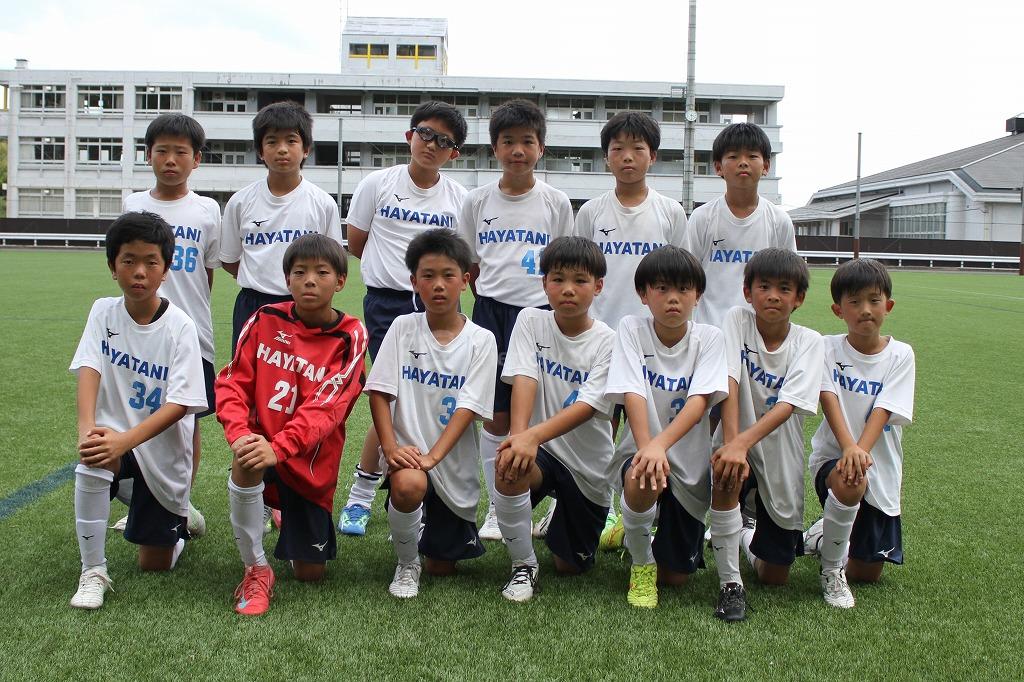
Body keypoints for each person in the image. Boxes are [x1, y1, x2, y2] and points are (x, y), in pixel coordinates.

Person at [216, 233, 367, 616]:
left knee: (309, 573)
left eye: (321, 272)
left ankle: (284, 506)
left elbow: (326, 410)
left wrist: (279, 448)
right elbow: (231, 382)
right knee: (246, 457)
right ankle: (256, 568)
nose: (309, 280)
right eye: (299, 272)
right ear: (287, 280)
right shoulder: (265, 319)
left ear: (340, 281)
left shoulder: (350, 336)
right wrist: (240, 434)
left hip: (307, 464)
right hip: (261, 450)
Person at [339, 101, 469, 537]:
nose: (432, 144)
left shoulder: (459, 199)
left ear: (454, 153)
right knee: (390, 397)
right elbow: (357, 243)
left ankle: (426, 490)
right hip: (389, 303)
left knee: (431, 396)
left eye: (444, 141)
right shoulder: (377, 184)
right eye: (425, 134)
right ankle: (361, 493)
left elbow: (459, 257)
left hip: (441, 307)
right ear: (409, 136)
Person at [69, 211, 207, 609]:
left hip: (161, 452)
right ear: (113, 266)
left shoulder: (180, 326)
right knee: (93, 457)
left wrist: (125, 441)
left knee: (154, 564)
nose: (139, 272)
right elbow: (89, 368)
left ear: (166, 269)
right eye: (128, 261)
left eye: (151, 262)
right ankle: (93, 571)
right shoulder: (103, 311)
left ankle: (178, 523)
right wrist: (87, 429)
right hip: (116, 438)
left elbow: (180, 405)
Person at [456, 98, 574, 541]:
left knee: (548, 411)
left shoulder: (556, 202)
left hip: (543, 315)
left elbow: (564, 265)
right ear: (495, 148)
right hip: (491, 314)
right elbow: (470, 263)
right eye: (508, 141)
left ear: (541, 147)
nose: (518, 150)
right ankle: (497, 504)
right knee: (496, 415)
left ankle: (560, 498)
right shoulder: (475, 201)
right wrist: (489, 300)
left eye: (527, 141)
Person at [574, 111, 688, 548]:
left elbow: (680, 274)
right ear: (606, 157)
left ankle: (647, 508)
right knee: (599, 424)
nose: (627, 157)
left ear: (652, 156)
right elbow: (581, 271)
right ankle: (600, 507)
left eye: (637, 149)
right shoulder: (591, 212)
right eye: (617, 149)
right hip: (602, 338)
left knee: (652, 426)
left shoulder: (670, 212)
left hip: (651, 340)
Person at [365, 229, 497, 598]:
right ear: (414, 282)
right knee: (409, 485)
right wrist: (391, 449)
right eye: (428, 276)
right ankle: (407, 563)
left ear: (465, 280)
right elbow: (379, 392)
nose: (438, 285)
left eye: (448, 275)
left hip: (452, 465)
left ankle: (419, 525)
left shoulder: (481, 340)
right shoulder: (403, 327)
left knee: (443, 567)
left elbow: (468, 408)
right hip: (409, 458)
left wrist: (433, 458)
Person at [604, 246, 728, 608]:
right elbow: (633, 393)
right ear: (643, 294)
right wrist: (648, 449)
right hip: (641, 452)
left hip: (689, 466)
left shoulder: (710, 338)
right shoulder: (631, 328)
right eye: (661, 288)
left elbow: (699, 402)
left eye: (683, 289)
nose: (673, 298)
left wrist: (660, 446)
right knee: (642, 476)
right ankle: (641, 563)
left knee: (676, 577)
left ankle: (635, 528)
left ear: (698, 295)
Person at [492, 237, 615, 602]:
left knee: (570, 566)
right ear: (544, 283)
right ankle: (523, 565)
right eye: (558, 279)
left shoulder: (609, 340)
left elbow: (588, 406)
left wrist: (531, 437)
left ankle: (561, 512)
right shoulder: (530, 320)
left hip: (587, 466)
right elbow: (524, 378)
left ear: (598, 286)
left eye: (580, 280)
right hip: (542, 452)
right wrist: (519, 438)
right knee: (509, 465)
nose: (568, 289)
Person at [709, 248, 823, 622]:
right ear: (748, 291)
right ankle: (730, 584)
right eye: (764, 286)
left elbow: (788, 404)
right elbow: (729, 380)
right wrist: (731, 444)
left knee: (775, 576)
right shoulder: (737, 320)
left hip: (779, 451)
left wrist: (741, 443)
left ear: (799, 298)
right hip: (733, 439)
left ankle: (744, 533)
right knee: (725, 472)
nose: (773, 295)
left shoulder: (810, 341)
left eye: (784, 288)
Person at [122, 113, 221, 537]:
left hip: (191, 333)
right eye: (162, 150)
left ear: (196, 159)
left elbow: (206, 273)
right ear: (148, 155)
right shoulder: (133, 205)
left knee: (187, 422)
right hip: (140, 333)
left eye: (181, 152)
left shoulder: (208, 209)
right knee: (138, 413)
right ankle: (146, 500)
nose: (170, 160)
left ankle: (179, 502)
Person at [803, 259, 915, 608]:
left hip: (879, 469)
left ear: (888, 306)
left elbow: (884, 409)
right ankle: (831, 570)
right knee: (851, 479)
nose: (865, 309)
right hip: (834, 461)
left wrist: (860, 451)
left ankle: (821, 536)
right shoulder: (827, 347)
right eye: (854, 302)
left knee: (867, 573)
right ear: (838, 310)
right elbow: (829, 399)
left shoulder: (901, 354)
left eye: (874, 300)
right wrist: (849, 449)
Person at [220, 100, 344, 351]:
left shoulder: (323, 203)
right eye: (272, 142)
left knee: (303, 373)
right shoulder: (240, 202)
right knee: (248, 372)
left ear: (306, 149)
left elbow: (333, 263)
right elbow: (230, 260)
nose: (282, 149)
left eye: (291, 140)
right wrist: (260, 279)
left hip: (305, 307)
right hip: (253, 305)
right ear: (260, 151)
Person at [684, 123, 796, 330]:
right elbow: (686, 279)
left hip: (760, 335)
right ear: (718, 167)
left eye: (752, 156)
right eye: (733, 156)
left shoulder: (779, 220)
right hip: (711, 333)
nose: (743, 163)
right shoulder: (702, 218)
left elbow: (791, 280)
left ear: (766, 166)